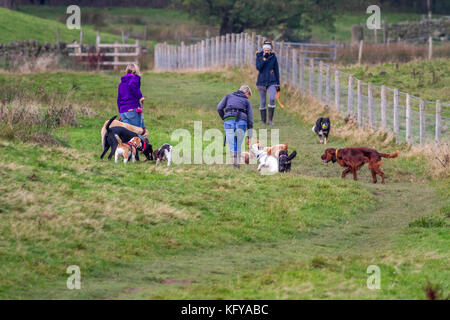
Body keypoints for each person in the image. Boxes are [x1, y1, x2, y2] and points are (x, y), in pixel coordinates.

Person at [217, 85, 253, 169]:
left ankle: (235, 163)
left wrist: (225, 118)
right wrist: (250, 135)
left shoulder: (228, 96)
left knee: (232, 143)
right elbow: (250, 119)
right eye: (248, 96)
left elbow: (219, 108)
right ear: (247, 93)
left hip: (229, 120)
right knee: (238, 143)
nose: (248, 98)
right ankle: (237, 165)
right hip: (242, 122)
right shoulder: (246, 101)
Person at [256, 40, 280, 126]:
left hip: (272, 82)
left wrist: (278, 84)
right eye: (265, 50)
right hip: (261, 82)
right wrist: (264, 59)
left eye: (268, 50)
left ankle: (270, 120)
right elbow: (259, 68)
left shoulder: (273, 58)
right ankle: (263, 121)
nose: (267, 52)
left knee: (272, 98)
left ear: (270, 50)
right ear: (263, 50)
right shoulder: (259, 56)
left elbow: (277, 71)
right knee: (262, 102)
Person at [117, 63, 146, 129]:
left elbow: (119, 99)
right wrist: (140, 97)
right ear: (136, 71)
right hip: (132, 109)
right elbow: (133, 85)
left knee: (128, 134)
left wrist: (120, 111)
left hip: (123, 112)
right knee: (138, 131)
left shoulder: (121, 83)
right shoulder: (135, 78)